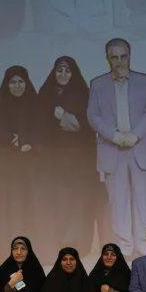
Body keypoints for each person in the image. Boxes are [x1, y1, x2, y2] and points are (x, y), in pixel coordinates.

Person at [87, 38, 146, 258]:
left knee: (143, 200)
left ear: (130, 56)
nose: (119, 61)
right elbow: (93, 115)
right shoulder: (97, 84)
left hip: (140, 147)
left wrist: (135, 135)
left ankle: (145, 248)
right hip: (112, 149)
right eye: (114, 57)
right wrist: (115, 136)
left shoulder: (145, 81)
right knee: (118, 202)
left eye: (123, 56)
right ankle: (126, 249)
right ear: (107, 59)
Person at [38, 56, 103, 249]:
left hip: (78, 161)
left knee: (77, 201)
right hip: (52, 160)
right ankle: (55, 243)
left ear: (73, 73)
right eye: (59, 70)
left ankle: (77, 244)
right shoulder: (45, 93)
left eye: (67, 71)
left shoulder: (83, 93)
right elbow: (39, 124)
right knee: (55, 200)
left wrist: (64, 116)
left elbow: (85, 125)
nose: (63, 74)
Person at [0, 65, 44, 219]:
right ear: (7, 84)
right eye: (13, 82)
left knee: (30, 203)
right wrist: (9, 139)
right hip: (5, 165)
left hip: (31, 164)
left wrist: (27, 141)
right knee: (8, 204)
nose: (17, 85)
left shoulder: (35, 103)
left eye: (21, 81)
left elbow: (43, 130)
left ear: (26, 83)